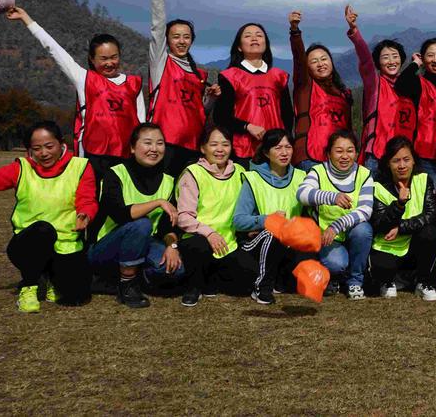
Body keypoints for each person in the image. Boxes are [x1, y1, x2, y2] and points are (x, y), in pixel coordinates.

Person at [0, 122, 95, 312]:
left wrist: (85, 214)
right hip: (28, 244)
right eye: (37, 148)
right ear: (29, 150)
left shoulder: (80, 166)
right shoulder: (21, 167)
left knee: (77, 297)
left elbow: (87, 199)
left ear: (61, 143)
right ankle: (29, 285)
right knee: (43, 230)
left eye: (49, 146)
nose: (44, 153)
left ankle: (51, 277)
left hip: (65, 245)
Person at [5, 6, 144, 181]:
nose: (109, 63)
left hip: (127, 157)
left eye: (114, 57)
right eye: (103, 59)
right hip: (94, 156)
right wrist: (26, 19)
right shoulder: (84, 79)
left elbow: (141, 125)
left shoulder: (134, 84)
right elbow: (53, 49)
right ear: (92, 59)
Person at [87, 122, 183, 308]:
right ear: (132, 147)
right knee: (142, 224)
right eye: (147, 143)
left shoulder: (169, 181)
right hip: (107, 246)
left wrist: (172, 245)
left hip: (145, 243)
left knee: (175, 269)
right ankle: (127, 283)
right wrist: (157, 202)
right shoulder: (115, 174)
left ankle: (131, 276)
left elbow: (167, 225)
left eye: (160, 143)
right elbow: (120, 215)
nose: (154, 149)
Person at [147, 0, 217, 178]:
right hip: (164, 143)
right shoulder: (161, 63)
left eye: (186, 37)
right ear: (167, 40)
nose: (181, 41)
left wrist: (211, 99)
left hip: (192, 145)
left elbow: (201, 112)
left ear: (192, 40)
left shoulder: (200, 73)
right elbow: (157, 27)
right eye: (175, 36)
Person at [232, 129, 313, 305]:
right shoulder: (253, 179)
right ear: (266, 153)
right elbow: (238, 221)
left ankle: (280, 279)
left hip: (290, 243)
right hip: (257, 245)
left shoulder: (302, 177)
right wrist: (266, 219)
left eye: (288, 147)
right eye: (278, 148)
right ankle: (262, 287)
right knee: (274, 231)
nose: (284, 153)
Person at [175, 125, 250, 306]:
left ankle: (211, 279)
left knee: (246, 281)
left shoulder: (240, 171)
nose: (220, 149)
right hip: (198, 238)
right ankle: (194, 287)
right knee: (199, 246)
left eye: (225, 144)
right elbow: (184, 217)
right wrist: (209, 233)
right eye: (214, 144)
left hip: (228, 242)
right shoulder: (193, 173)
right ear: (203, 148)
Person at [297, 130, 375, 300]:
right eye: (339, 151)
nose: (345, 156)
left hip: (351, 232)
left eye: (350, 151)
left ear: (356, 153)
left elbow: (366, 209)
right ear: (328, 153)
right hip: (326, 238)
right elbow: (302, 194)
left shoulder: (364, 174)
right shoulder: (318, 171)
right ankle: (335, 276)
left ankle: (355, 281)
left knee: (364, 230)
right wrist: (332, 197)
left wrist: (337, 225)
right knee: (336, 264)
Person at [345, 5, 416, 175]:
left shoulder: (411, 86)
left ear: (402, 60)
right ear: (378, 63)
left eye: (395, 56)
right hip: (376, 156)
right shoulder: (375, 84)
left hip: (402, 158)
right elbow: (365, 60)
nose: (391, 61)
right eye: (385, 57)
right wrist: (354, 32)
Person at [368, 136, 436, 301]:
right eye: (396, 161)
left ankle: (423, 282)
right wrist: (399, 204)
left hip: (414, 243)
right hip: (388, 245)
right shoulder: (377, 186)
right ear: (388, 163)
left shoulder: (424, 180)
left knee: (430, 233)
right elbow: (379, 224)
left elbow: (430, 216)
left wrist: (401, 228)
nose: (402, 166)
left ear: (414, 161)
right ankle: (388, 281)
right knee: (381, 267)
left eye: (406, 159)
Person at [215, 23, 293, 167]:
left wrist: (285, 141)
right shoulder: (230, 76)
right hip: (243, 149)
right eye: (248, 36)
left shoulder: (279, 76)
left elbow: (287, 115)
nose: (254, 38)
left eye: (259, 35)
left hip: (276, 149)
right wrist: (247, 126)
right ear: (239, 47)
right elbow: (221, 116)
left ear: (266, 44)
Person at [288, 10, 353, 170]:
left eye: (324, 59)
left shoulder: (344, 93)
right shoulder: (305, 87)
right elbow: (299, 59)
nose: (320, 63)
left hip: (339, 159)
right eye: (314, 61)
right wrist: (295, 31)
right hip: (309, 157)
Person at [395, 38, 436, 179]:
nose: (435, 60)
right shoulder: (418, 84)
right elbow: (401, 84)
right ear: (424, 59)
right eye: (430, 55)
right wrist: (416, 63)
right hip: (424, 156)